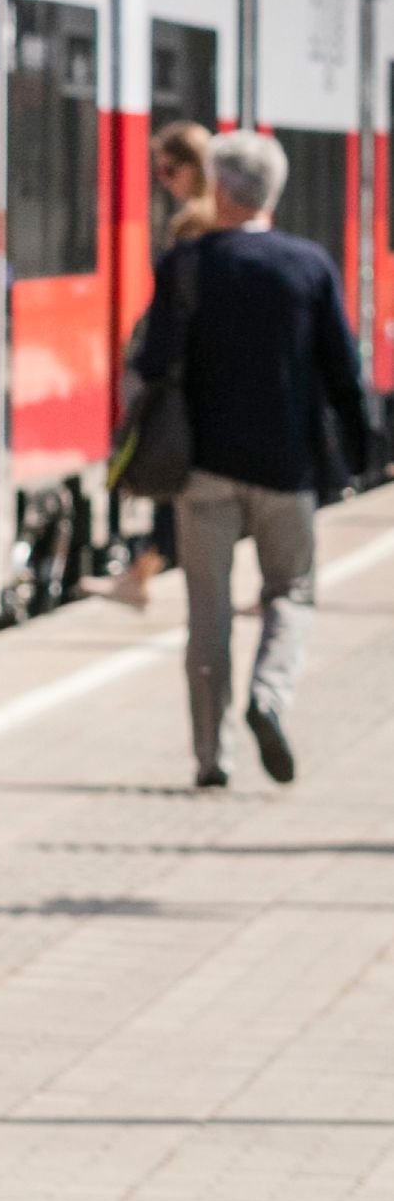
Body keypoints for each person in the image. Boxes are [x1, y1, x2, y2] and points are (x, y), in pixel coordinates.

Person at [123, 124, 375, 789]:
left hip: (202, 469)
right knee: (291, 592)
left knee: (208, 614)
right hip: (286, 469)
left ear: (221, 189)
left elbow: (151, 361)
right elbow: (344, 372)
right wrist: (360, 451)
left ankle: (212, 757)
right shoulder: (309, 265)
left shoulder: (187, 264)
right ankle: (270, 695)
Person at [126, 117, 220, 594]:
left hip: (185, 376)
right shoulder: (220, 220)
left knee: (170, 463)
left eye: (166, 171)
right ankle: (141, 572)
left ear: (190, 169)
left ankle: (142, 573)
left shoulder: (191, 227)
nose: (163, 182)